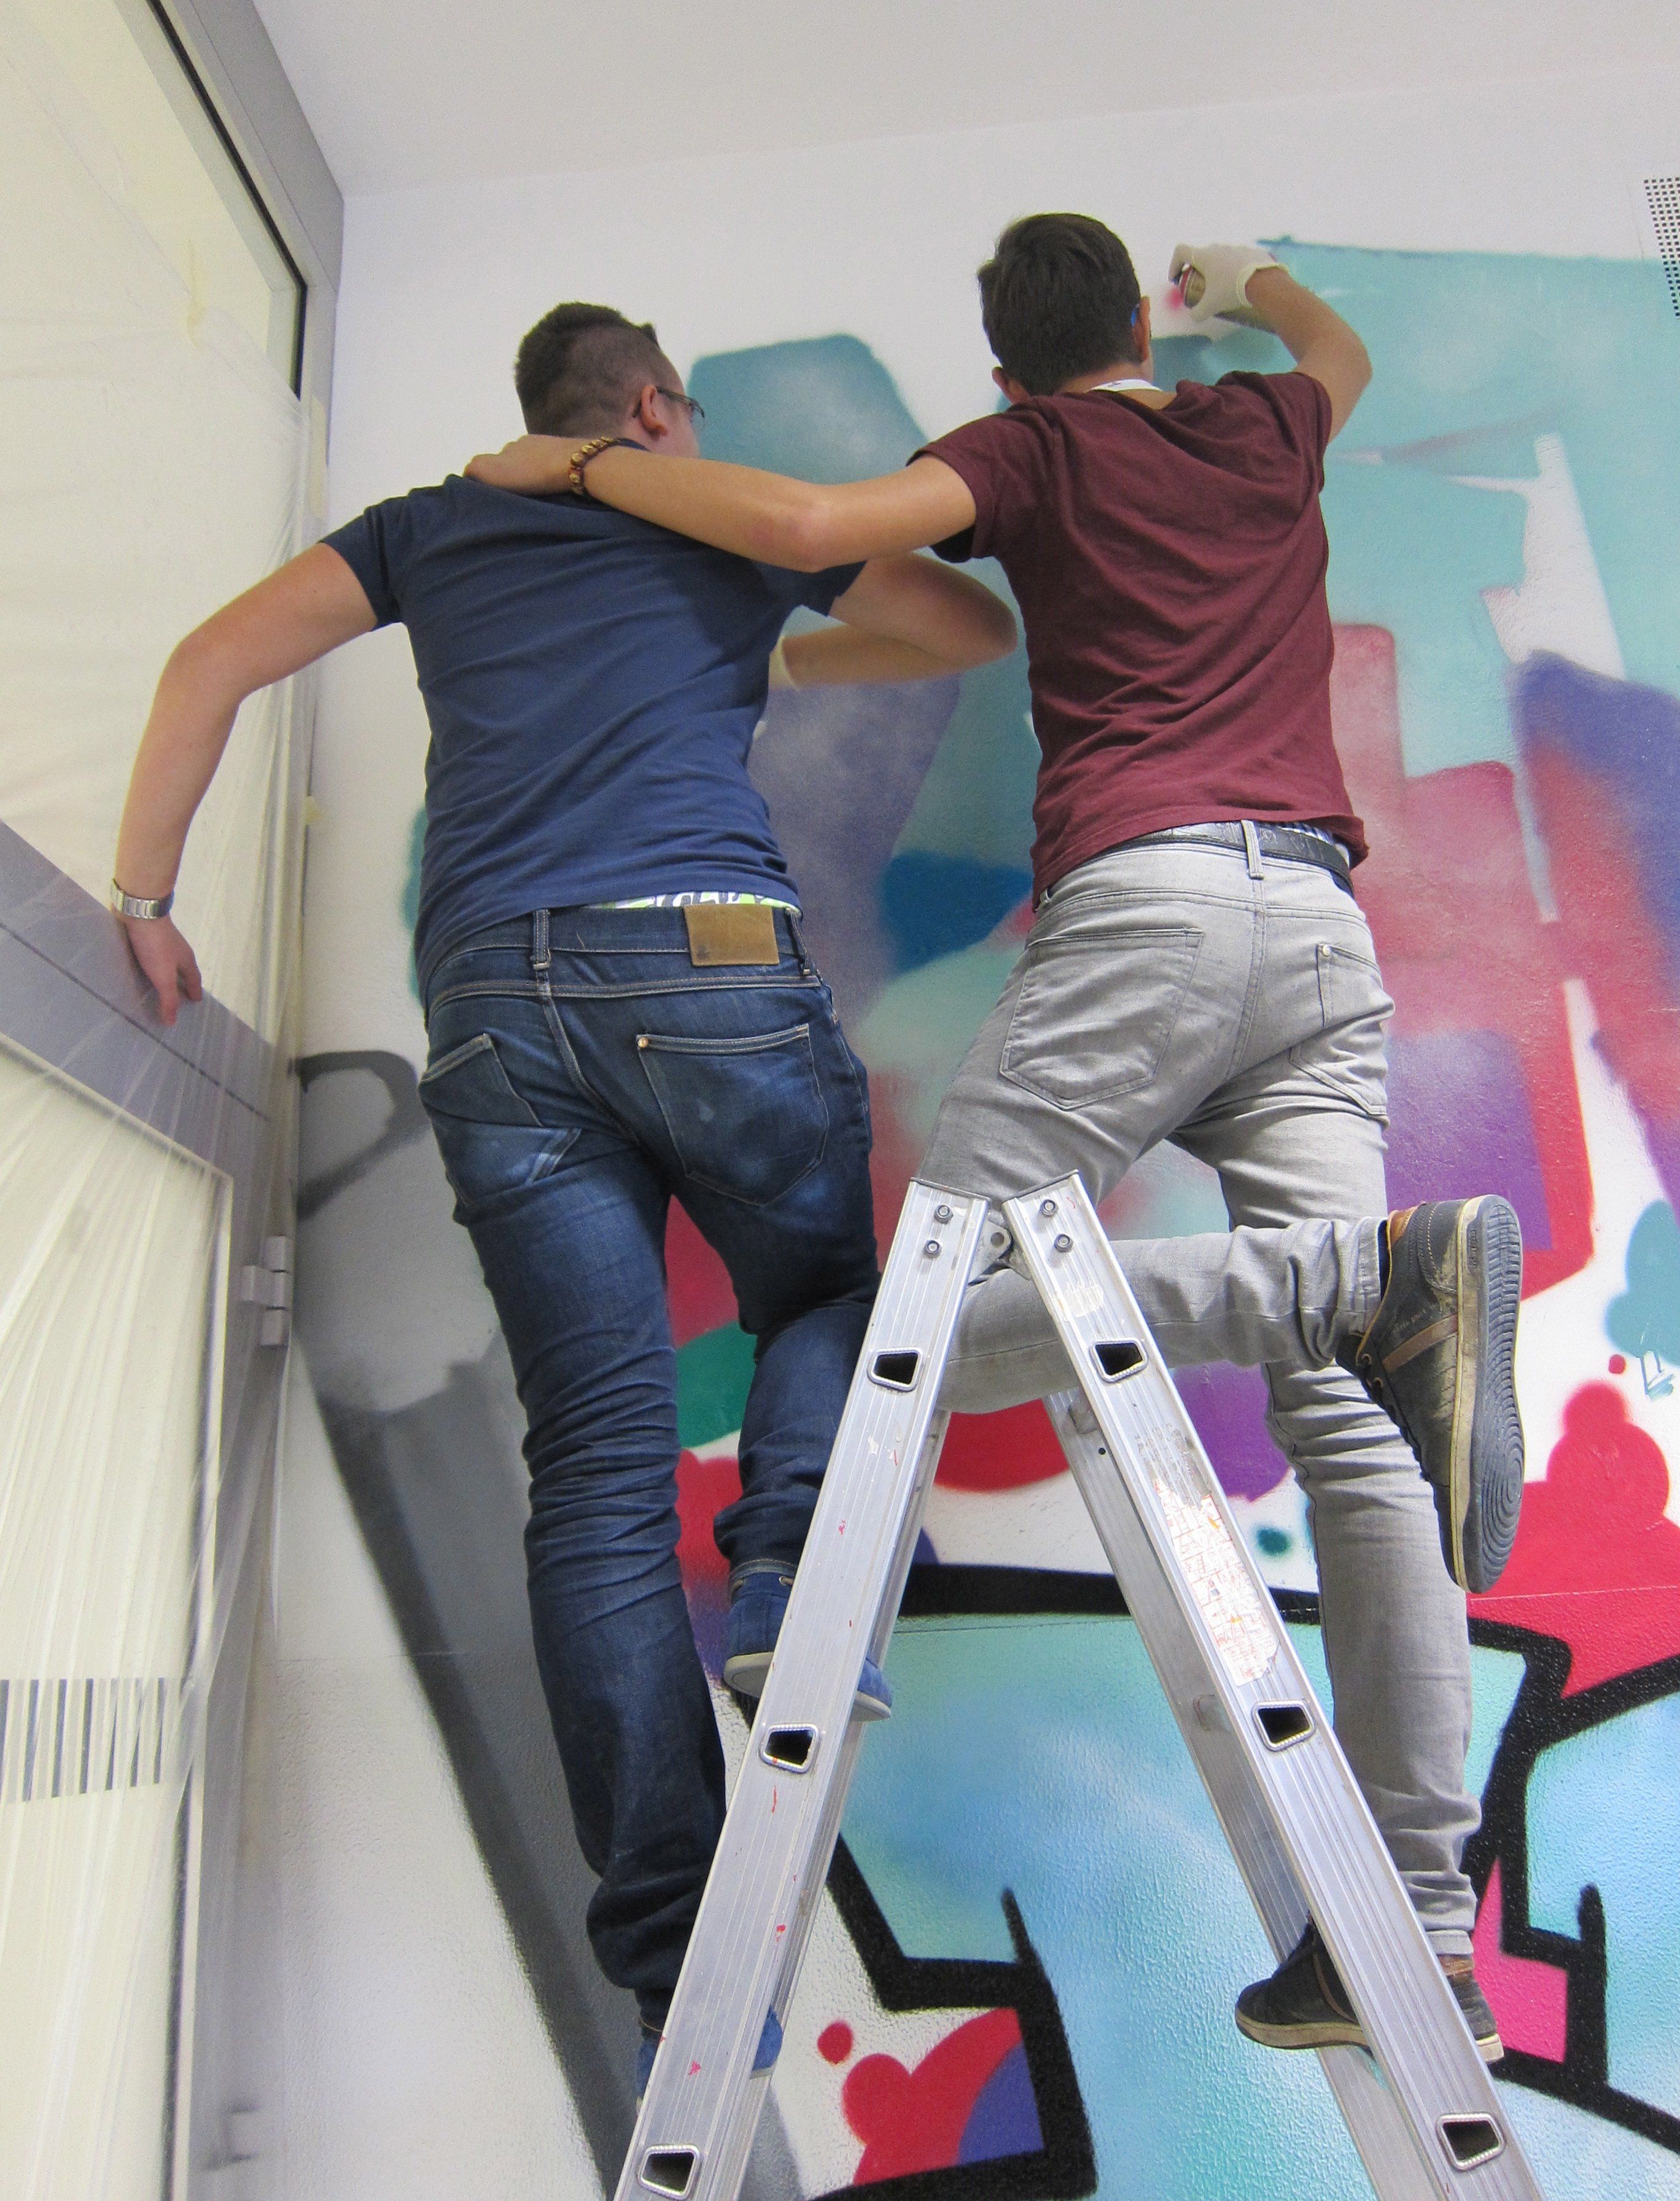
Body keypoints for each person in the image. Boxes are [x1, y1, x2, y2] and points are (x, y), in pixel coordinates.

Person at [465, 227, 1528, 2063]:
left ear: (1009, 367)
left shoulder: (1035, 448)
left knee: (911, 1335)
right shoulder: (1270, 419)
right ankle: (1419, 1934)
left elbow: (811, 527)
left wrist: (580, 465)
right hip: (1318, 927)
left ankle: (1339, 1289)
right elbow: (1339, 349)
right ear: (1139, 335)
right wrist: (1253, 282)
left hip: (1150, 914)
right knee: (1365, 1428)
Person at [109, 300, 1017, 2089]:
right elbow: (965, 625)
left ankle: (678, 1963)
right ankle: (787, 1576)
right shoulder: (733, 521)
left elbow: (208, 661)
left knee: (594, 1467)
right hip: (702, 956)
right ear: (657, 407)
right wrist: (765, 626)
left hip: (491, 1008)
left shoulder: (430, 531)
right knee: (829, 1296)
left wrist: (145, 900)